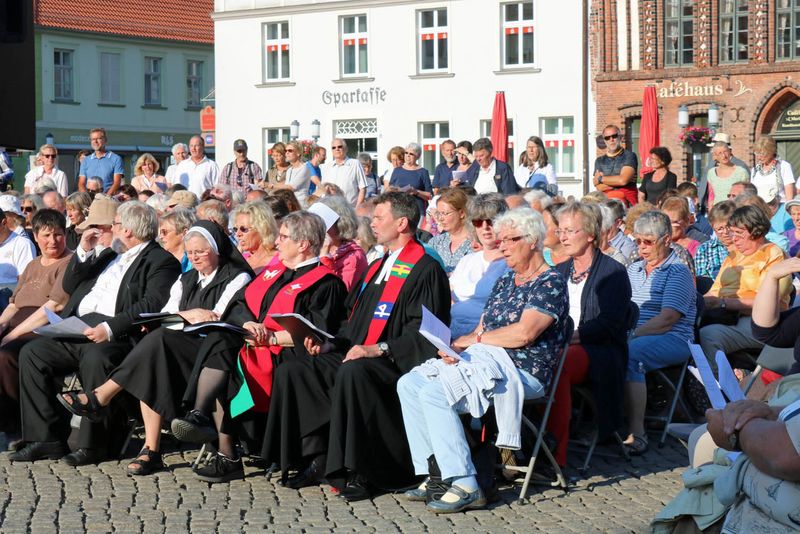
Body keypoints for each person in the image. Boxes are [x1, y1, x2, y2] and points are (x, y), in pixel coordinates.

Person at [261, 191, 450, 501]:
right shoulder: (378, 265)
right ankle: (315, 456)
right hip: (360, 352)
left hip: (396, 361)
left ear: (402, 223)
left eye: (379, 217)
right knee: (295, 369)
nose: (371, 222)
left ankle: (364, 471)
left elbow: (427, 333)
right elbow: (353, 322)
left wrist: (379, 349)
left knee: (354, 373)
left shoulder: (426, 268)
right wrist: (328, 344)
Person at [398, 207, 569, 512]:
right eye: (500, 240)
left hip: (522, 371)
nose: (501, 246)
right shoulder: (506, 280)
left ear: (532, 241)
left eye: (509, 239)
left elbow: (524, 334)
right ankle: (436, 472)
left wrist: (472, 341)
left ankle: (465, 482)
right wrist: (457, 349)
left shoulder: (550, 282)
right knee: (410, 383)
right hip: (484, 360)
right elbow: (484, 326)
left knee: (436, 393)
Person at [56, 221, 252, 476]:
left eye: (201, 252)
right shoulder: (186, 278)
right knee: (155, 351)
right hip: (180, 346)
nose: (195, 258)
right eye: (190, 253)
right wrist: (189, 314)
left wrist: (183, 317)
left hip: (214, 351)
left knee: (156, 344)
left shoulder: (236, 276)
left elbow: (216, 316)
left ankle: (105, 401)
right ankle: (148, 446)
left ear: (215, 249)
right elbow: (166, 316)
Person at [170, 211, 348, 482]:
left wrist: (271, 338)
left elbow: (316, 332)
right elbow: (241, 305)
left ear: (303, 244)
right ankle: (204, 421)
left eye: (284, 237)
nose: (277, 242)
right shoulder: (274, 273)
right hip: (254, 343)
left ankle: (211, 432)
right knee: (221, 347)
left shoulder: (326, 283)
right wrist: (249, 323)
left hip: (287, 353)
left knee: (223, 358)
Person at [10, 200, 181, 465]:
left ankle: (96, 444)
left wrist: (109, 328)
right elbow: (70, 284)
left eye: (115, 224)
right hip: (79, 325)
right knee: (33, 353)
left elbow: (151, 304)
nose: (110, 228)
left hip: (118, 333)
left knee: (96, 358)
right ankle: (46, 439)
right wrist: (84, 250)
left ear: (127, 229)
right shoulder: (111, 254)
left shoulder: (160, 261)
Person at [549, 202, 631, 467]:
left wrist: (566, 337)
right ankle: (519, 443)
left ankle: (554, 454)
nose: (562, 237)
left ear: (591, 234)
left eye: (571, 231)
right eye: (561, 230)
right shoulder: (559, 272)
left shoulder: (613, 272)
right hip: (561, 342)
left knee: (555, 364)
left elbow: (609, 324)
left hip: (598, 350)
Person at [624, 211, 697, 455]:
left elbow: (668, 319)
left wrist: (632, 334)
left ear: (666, 240)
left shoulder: (677, 272)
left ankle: (637, 431)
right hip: (637, 332)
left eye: (648, 242)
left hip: (673, 337)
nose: (642, 248)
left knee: (630, 355)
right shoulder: (633, 270)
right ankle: (605, 422)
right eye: (637, 241)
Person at [0, 210, 72, 437]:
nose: (53, 241)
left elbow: (54, 306)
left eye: (58, 235)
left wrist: (11, 335)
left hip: (44, 327)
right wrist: (1, 324)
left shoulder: (69, 262)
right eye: (47, 235)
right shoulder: (32, 265)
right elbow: (14, 304)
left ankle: (14, 424)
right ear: (37, 236)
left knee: (5, 356)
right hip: (17, 323)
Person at [699, 205, 792, 370]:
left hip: (759, 322)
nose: (733, 238)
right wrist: (697, 302)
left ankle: (717, 391)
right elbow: (714, 291)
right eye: (732, 232)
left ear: (756, 231)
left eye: (739, 233)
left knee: (709, 335)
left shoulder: (773, 254)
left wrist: (723, 303)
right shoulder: (734, 256)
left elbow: (769, 304)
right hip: (726, 316)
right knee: (684, 327)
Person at [449, 193, 509, 337]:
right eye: (478, 222)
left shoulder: (511, 263)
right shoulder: (467, 260)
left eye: (491, 221)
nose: (484, 227)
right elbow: (451, 296)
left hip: (485, 336)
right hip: (452, 331)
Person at [318, 196, 368, 291]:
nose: (317, 228)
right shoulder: (313, 248)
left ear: (339, 225)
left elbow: (339, 294)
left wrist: (325, 258)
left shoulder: (353, 257)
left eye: (323, 222)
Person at [698, 132, 750, 213]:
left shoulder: (741, 168)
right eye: (719, 152)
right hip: (715, 211)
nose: (723, 156)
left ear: (729, 151)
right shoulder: (711, 168)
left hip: (734, 212)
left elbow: (746, 194)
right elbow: (710, 192)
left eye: (725, 151)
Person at [427, 187, 473, 274]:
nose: (440, 218)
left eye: (445, 213)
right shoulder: (435, 243)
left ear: (462, 213)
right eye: (439, 213)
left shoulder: (476, 243)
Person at [593, 124, 639, 206]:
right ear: (604, 141)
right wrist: (616, 181)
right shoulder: (599, 161)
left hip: (628, 204)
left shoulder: (629, 156)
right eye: (607, 138)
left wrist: (600, 178)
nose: (611, 140)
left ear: (620, 137)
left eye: (614, 136)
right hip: (607, 204)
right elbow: (599, 187)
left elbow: (623, 180)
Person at [232, 201, 279, 274]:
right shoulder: (240, 260)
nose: (237, 234)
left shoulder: (281, 259)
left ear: (262, 229)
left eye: (244, 229)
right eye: (235, 229)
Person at [695, 200, 736, 282]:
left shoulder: (746, 246)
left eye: (729, 226)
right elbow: (703, 282)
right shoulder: (704, 250)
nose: (725, 232)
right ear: (712, 227)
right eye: (720, 229)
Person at [389, 142, 433, 217]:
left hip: (418, 211)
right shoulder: (397, 170)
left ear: (417, 156)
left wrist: (416, 192)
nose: (408, 155)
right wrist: (395, 189)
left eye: (411, 154)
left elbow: (430, 195)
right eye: (406, 153)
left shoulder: (423, 172)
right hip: (400, 210)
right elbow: (390, 189)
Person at [321, 138, 367, 207]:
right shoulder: (327, 167)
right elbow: (323, 189)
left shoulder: (355, 164)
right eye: (334, 148)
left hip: (349, 208)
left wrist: (357, 208)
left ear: (345, 149)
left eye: (340, 146)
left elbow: (363, 188)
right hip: (331, 208)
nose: (337, 149)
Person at [751, 134, 795, 204]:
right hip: (759, 209)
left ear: (771, 151)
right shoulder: (755, 170)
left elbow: (789, 197)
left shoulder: (784, 166)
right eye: (757, 153)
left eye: (762, 154)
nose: (759, 157)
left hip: (779, 207)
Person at [78, 128, 124, 195]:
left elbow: (117, 183)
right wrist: (86, 198)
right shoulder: (86, 160)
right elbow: (81, 183)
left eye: (98, 138)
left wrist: (105, 198)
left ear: (105, 140)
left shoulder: (116, 159)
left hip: (107, 199)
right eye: (93, 139)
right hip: (89, 199)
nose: (95, 141)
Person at [704, 142, 750, 208]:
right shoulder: (711, 173)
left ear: (730, 152)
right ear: (715, 156)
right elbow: (711, 196)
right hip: (717, 212)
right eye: (720, 153)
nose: (724, 156)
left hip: (735, 211)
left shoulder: (741, 172)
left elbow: (746, 196)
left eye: (725, 152)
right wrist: (710, 212)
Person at [159, 208, 197, 273]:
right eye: (160, 232)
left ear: (184, 232)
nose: (161, 237)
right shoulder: (159, 258)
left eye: (164, 232)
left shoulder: (196, 260)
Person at [275, 141, 311, 208]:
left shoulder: (304, 168)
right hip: (290, 205)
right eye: (286, 151)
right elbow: (286, 187)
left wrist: (270, 185)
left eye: (290, 150)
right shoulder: (289, 170)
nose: (287, 153)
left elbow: (291, 187)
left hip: (301, 205)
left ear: (298, 153)